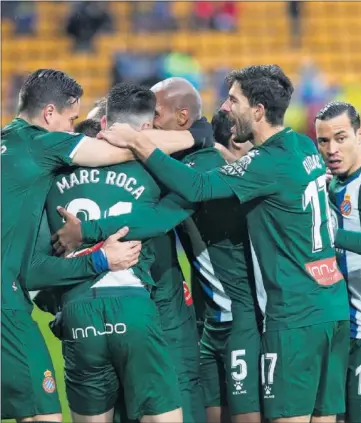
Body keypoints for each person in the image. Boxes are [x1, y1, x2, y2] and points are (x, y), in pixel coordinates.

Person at [96, 65, 351, 423]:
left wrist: (139, 142)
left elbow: (199, 188)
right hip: (332, 309)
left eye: (234, 100)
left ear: (258, 110)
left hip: (294, 318)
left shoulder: (266, 162)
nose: (226, 107)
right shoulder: (302, 145)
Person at [1, 68, 212, 423]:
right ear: (49, 113)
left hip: (70, 313)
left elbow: (36, 268)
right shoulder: (43, 144)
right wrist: (196, 135)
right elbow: (128, 152)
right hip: (122, 305)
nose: (72, 128)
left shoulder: (20, 153)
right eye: (70, 119)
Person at [53, 80, 262, 423]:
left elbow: (156, 217)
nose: (148, 123)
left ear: (181, 117)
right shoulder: (168, 163)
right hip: (208, 323)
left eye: (155, 114)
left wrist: (86, 230)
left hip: (239, 318)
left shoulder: (201, 167)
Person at [45, 83, 183, 423]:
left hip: (77, 308)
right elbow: (191, 194)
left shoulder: (54, 172)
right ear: (147, 128)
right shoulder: (154, 170)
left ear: (104, 122)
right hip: (131, 301)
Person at [315, 101, 361, 423]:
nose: (331, 149)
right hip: (339, 332)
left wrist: (332, 235)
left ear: (359, 135)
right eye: (323, 141)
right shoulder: (329, 186)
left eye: (340, 138)